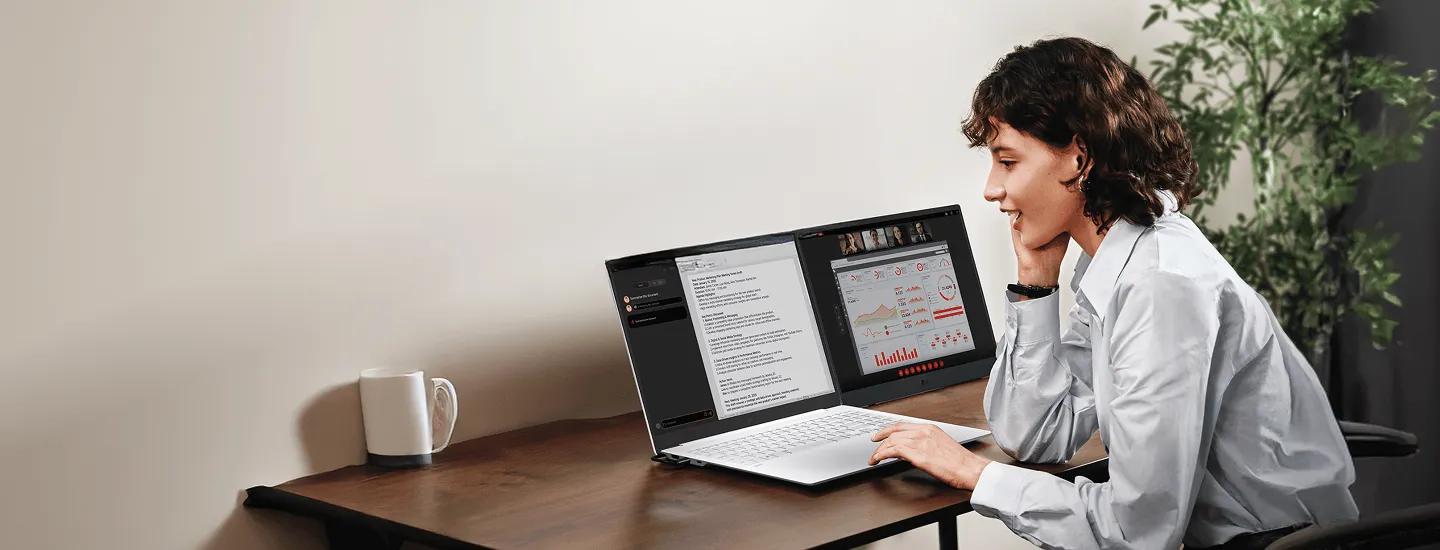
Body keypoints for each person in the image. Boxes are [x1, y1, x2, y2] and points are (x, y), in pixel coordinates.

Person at [867, 37, 1358, 550]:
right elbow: (1036, 436)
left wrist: (974, 473)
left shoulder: (1161, 284)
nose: (991, 188)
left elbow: (1137, 532)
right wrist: (1036, 284)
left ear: (1079, 159)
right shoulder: (1120, 259)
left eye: (1007, 162)